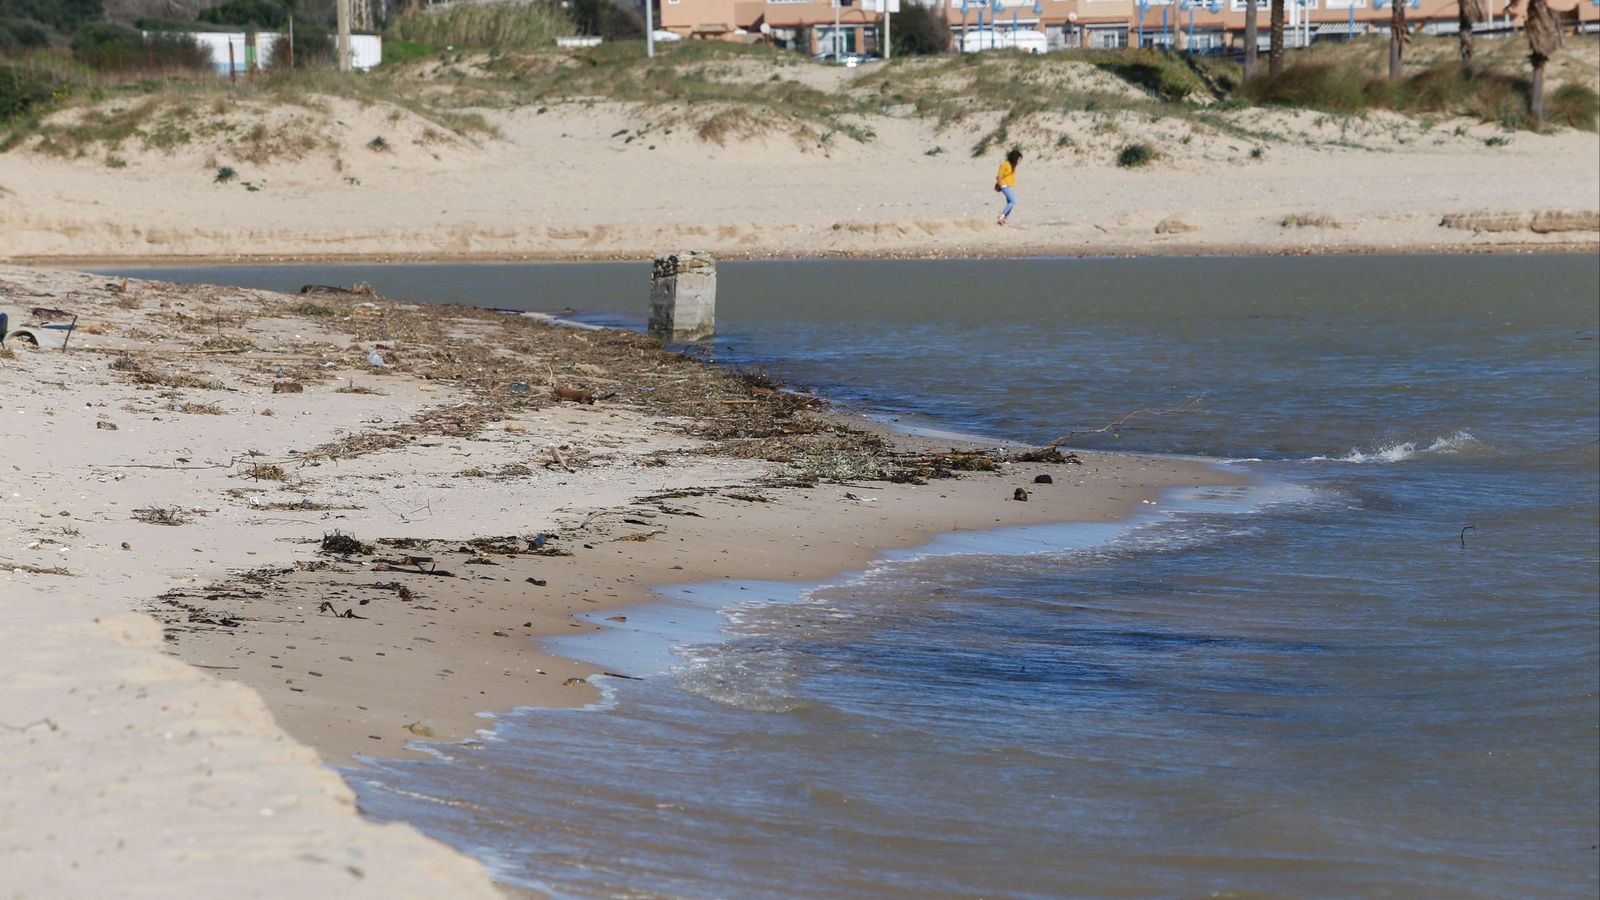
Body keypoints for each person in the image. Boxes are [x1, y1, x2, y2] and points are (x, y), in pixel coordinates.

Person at [994, 149, 1021, 226]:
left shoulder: (1013, 165)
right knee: (1014, 201)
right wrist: (999, 185)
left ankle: (1004, 219)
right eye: (1018, 159)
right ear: (1014, 158)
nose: (1019, 161)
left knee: (1010, 203)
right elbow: (999, 176)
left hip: (1010, 186)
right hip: (1004, 185)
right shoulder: (1005, 164)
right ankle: (1001, 215)